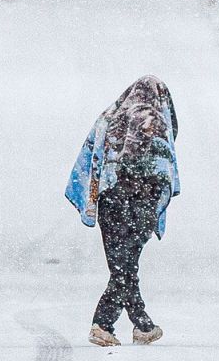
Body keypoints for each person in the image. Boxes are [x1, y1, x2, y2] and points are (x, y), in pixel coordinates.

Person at [65, 76, 180, 347]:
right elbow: (162, 166)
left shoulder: (109, 118)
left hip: (109, 202)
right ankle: (105, 324)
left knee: (122, 267)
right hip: (140, 202)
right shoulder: (155, 121)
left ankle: (141, 325)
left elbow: (91, 157)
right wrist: (149, 196)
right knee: (125, 268)